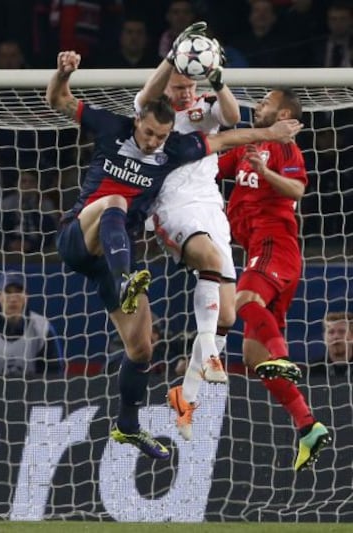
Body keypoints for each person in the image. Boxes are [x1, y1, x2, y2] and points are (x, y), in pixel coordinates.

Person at [45, 40, 301, 460]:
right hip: (81, 235)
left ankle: (127, 426)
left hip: (113, 257)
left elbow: (227, 138)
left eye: (161, 136)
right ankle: (128, 278)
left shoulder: (174, 150)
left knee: (141, 348)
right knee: (115, 203)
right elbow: (58, 99)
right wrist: (64, 72)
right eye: (147, 133)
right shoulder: (112, 127)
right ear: (137, 120)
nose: (152, 142)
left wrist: (271, 134)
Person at [215, 88, 330, 471]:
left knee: (243, 299)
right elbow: (211, 166)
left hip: (274, 244)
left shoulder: (284, 150)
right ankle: (307, 424)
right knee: (252, 355)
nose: (257, 106)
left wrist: (265, 172)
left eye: (264, 102)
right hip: (257, 250)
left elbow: (297, 189)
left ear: (282, 113)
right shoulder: (248, 144)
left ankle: (282, 357)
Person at [135, 29, 241, 441]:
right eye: (177, 85)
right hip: (172, 206)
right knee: (210, 262)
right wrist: (170, 57)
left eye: (187, 86)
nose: (181, 94)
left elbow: (233, 117)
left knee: (228, 317)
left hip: (212, 207)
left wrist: (216, 78)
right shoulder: (154, 111)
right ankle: (210, 356)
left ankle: (186, 395)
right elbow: (146, 96)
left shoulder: (207, 105)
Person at [0, 271, 62, 377]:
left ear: (26, 296)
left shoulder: (42, 328)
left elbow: (54, 371)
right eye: (8, 292)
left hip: (32, 391)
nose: (13, 299)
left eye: (18, 292)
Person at [321, 311, 353, 377]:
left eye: (342, 331)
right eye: (331, 332)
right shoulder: (311, 371)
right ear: (324, 337)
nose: (336, 337)